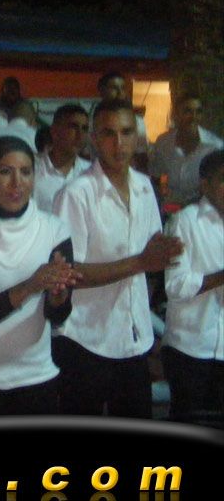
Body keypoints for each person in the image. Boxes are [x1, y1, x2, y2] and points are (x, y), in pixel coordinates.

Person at [53, 100, 184, 418]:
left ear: (137, 137)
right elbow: (68, 273)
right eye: (109, 134)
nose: (119, 143)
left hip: (133, 335)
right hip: (85, 338)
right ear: (94, 139)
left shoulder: (143, 186)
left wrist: (167, 251)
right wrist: (140, 262)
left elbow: (151, 250)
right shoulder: (76, 194)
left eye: (127, 132)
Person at [0, 134, 80, 416]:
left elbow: (58, 315)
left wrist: (58, 297)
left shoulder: (54, 230)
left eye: (25, 172)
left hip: (37, 375)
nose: (17, 183)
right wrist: (29, 287)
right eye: (5, 172)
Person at [161, 150, 224, 424]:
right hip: (190, 347)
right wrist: (219, 278)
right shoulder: (186, 221)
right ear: (205, 184)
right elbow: (175, 286)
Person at [149, 94, 223, 208]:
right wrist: (161, 198)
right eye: (187, 111)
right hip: (169, 207)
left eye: (198, 112)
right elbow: (156, 175)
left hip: (201, 210)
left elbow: (217, 186)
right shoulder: (164, 142)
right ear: (176, 115)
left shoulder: (214, 147)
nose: (193, 117)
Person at [33, 104, 91, 213]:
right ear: (55, 131)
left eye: (84, 128)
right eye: (73, 127)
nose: (80, 135)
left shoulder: (89, 171)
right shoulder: (32, 171)